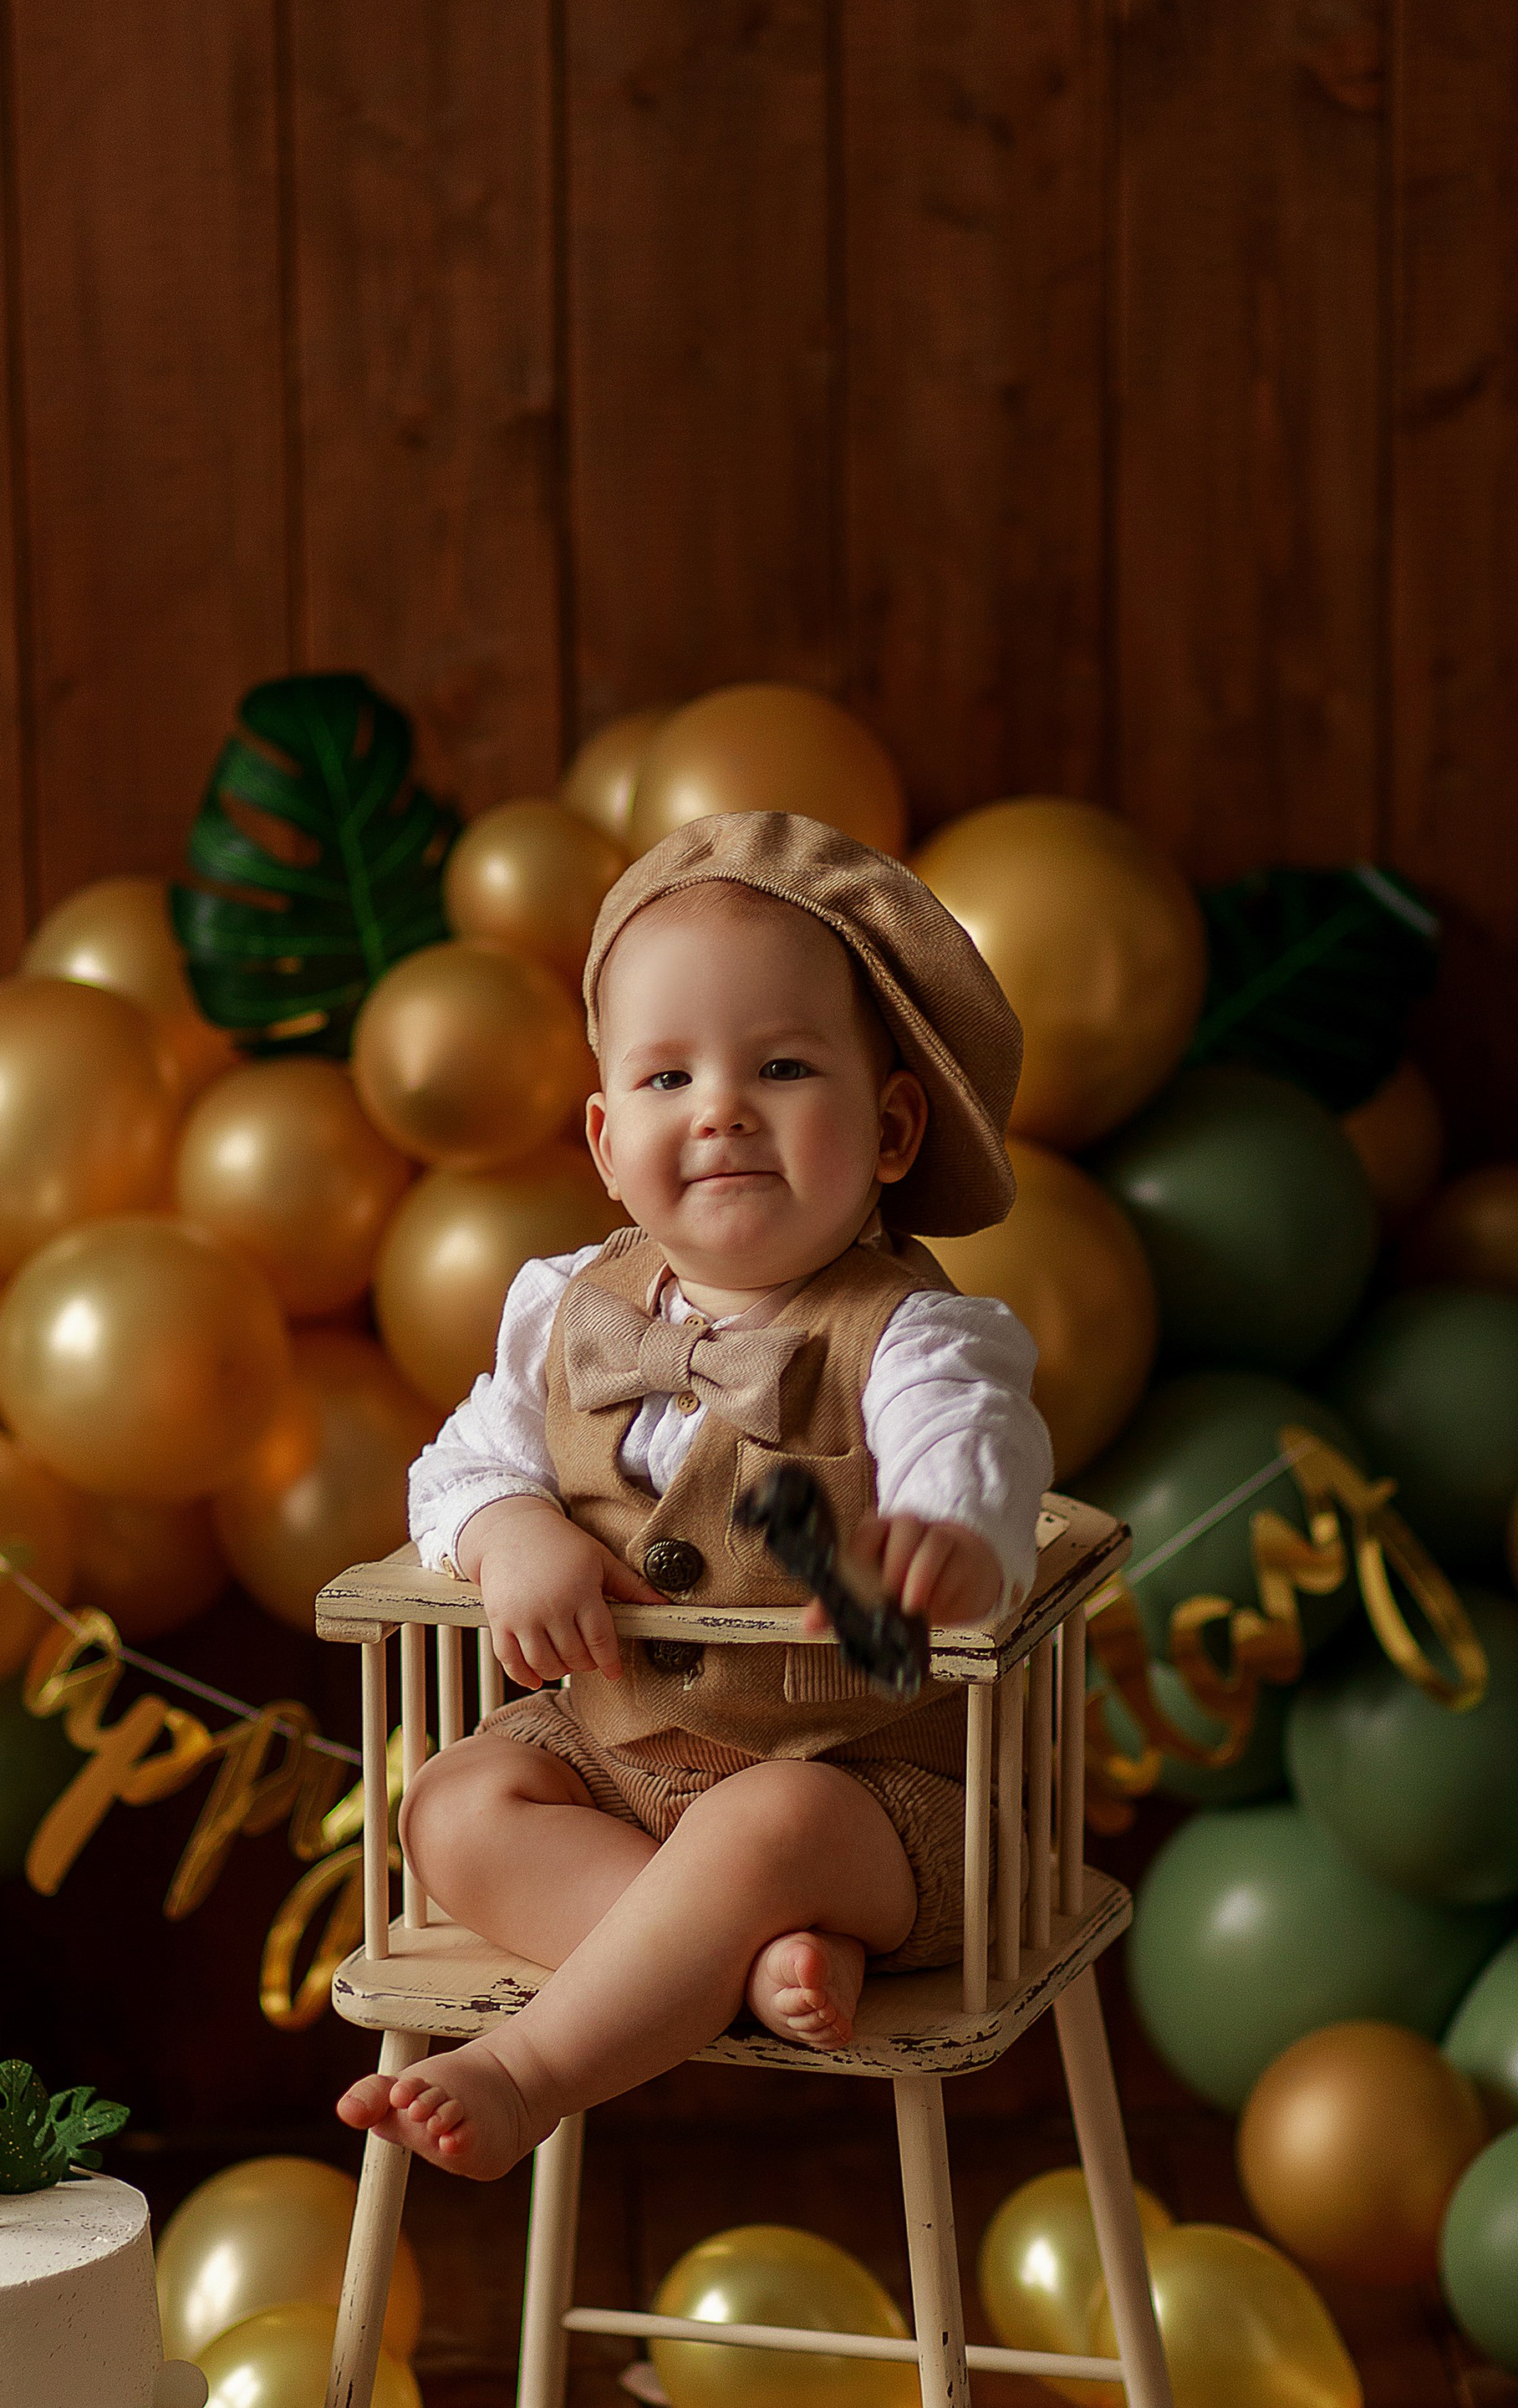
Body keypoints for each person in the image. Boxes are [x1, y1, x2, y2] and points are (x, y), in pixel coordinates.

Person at [337, 808, 1052, 2180]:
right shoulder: (565, 1309)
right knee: (448, 1808)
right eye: (668, 1079)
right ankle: (731, 1946)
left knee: (768, 1828)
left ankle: (534, 2065)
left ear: (894, 1126)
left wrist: (952, 1533)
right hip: (616, 1757)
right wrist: (513, 1529)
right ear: (606, 1140)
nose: (719, 1107)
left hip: (865, 1787)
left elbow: (971, 1438)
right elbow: (461, 1461)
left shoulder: (910, 1337)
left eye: (780, 1066)